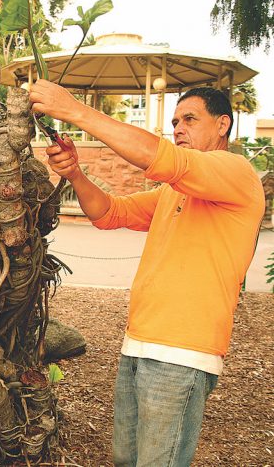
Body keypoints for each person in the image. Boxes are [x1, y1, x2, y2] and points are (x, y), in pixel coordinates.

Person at [29, 82, 264, 466]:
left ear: (223, 125)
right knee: (127, 459)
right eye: (174, 121)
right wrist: (75, 173)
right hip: (139, 344)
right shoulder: (176, 191)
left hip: (183, 352)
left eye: (190, 119)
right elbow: (109, 214)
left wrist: (76, 111)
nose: (178, 128)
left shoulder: (235, 171)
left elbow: (164, 159)